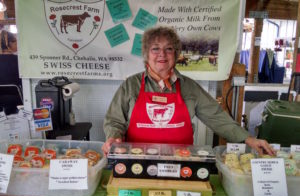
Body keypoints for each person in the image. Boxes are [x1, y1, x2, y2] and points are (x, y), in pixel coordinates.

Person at [102, 26, 275, 156]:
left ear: (176, 55)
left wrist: (248, 138)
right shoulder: (130, 85)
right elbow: (114, 121)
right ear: (147, 54)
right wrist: (113, 137)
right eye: (155, 48)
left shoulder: (189, 87)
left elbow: (216, 117)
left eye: (168, 48)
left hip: (181, 161)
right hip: (136, 160)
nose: (162, 54)